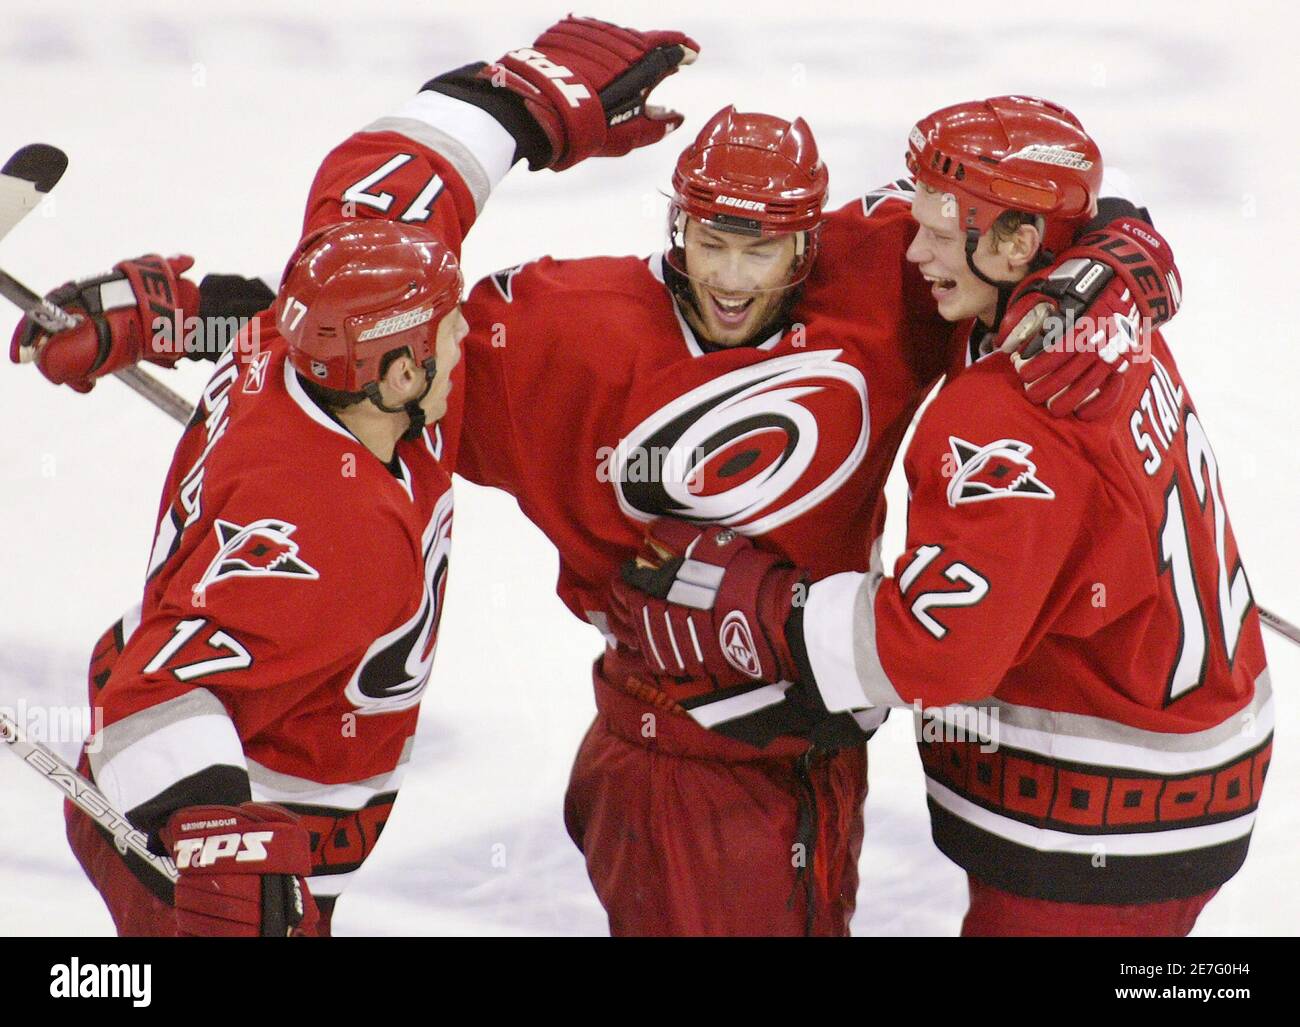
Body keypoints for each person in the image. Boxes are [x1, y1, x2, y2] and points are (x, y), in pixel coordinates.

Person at [13, 90, 1160, 934]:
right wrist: (199, 321)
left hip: (808, 754)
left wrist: (1116, 256)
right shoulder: (561, 326)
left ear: (810, 237)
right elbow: (369, 327)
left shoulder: (890, 266)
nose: (726, 271)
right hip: (685, 767)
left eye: (758, 245)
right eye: (708, 235)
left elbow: (1028, 218)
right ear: (676, 224)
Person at [13, 15, 696, 935]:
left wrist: (518, 101)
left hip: (236, 749)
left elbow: (396, 171)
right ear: (399, 374)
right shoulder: (332, 539)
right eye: (449, 327)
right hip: (203, 848)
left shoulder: (307, 331)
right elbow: (153, 698)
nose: (471, 334)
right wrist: (215, 838)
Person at [608, 96, 1271, 936]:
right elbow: (1082, 211)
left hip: (1111, 825)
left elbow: (938, 649)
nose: (909, 248)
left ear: (1019, 240)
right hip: (1185, 749)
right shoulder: (1075, 315)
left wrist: (761, 610)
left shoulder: (1017, 413)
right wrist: (1121, 241)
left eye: (936, 230)